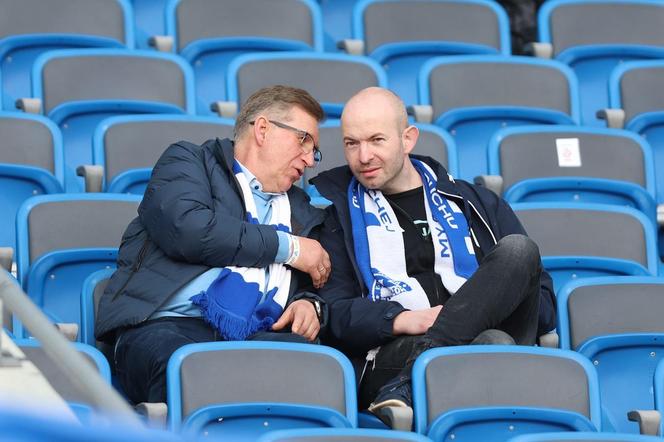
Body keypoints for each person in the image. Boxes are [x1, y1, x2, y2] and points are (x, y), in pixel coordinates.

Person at [312, 87, 555, 430]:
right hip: (390, 353)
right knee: (493, 346)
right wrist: (402, 319)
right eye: (352, 143)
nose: (363, 156)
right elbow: (334, 313)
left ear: (408, 138)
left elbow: (544, 307)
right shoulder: (338, 218)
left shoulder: (475, 203)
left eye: (377, 140)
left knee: (518, 251)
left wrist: (475, 308)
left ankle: (412, 381)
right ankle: (415, 372)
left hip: (483, 336)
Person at [95, 85, 332, 404]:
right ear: (262, 129)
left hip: (257, 333)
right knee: (190, 369)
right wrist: (288, 247)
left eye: (314, 150)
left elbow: (313, 278)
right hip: (167, 325)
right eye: (303, 140)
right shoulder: (190, 162)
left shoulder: (301, 208)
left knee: (314, 368)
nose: (309, 159)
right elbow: (189, 230)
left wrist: (307, 303)